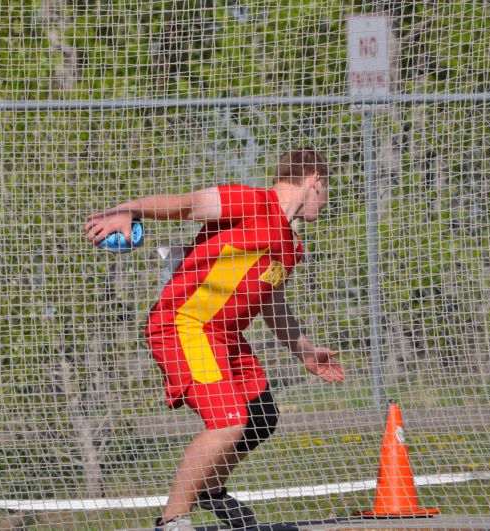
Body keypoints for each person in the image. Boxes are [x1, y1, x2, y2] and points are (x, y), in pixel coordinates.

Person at [85, 147, 344, 531]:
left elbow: (270, 301)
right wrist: (130, 209)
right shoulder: (253, 201)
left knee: (260, 417)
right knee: (228, 421)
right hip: (185, 325)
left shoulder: (291, 247)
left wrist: (305, 351)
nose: (324, 203)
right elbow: (187, 206)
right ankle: (172, 520)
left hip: (225, 336)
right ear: (315, 181)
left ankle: (208, 488)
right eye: (326, 192)